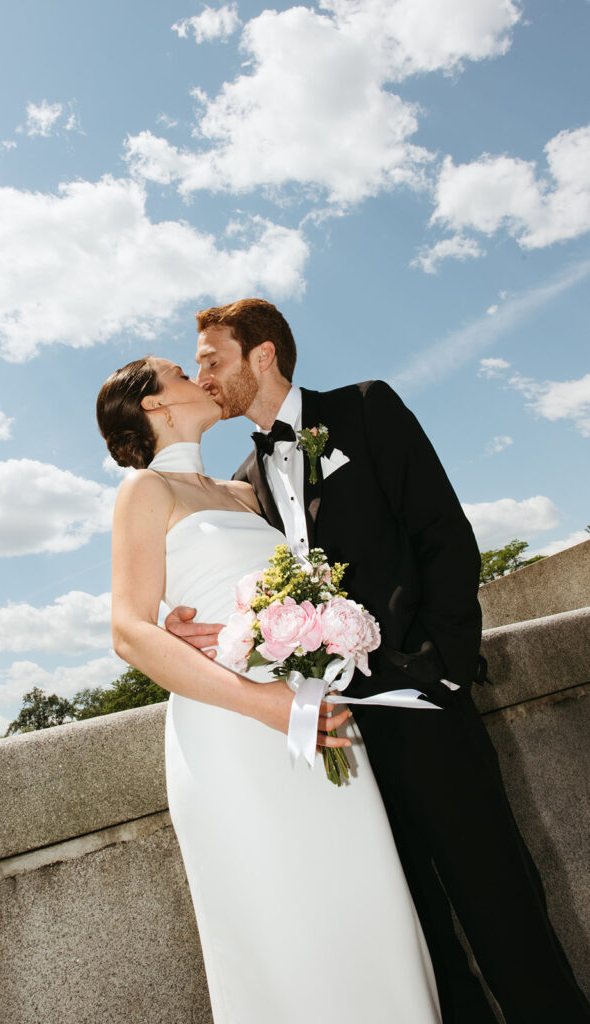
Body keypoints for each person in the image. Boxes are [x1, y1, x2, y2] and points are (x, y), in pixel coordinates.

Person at [165, 298, 590, 1024]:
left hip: (423, 701)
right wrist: (191, 628)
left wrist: (444, 669)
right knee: (417, 934)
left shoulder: (365, 409)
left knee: (500, 902)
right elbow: (259, 595)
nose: (201, 374)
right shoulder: (243, 482)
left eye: (211, 359)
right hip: (336, 736)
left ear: (261, 355)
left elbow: (440, 533)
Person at [97, 356, 443, 1024]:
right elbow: (130, 631)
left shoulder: (241, 494)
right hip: (235, 725)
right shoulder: (145, 490)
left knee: (364, 892)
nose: (198, 377)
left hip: (319, 708)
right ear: (153, 408)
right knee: (281, 909)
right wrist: (269, 704)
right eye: (177, 372)